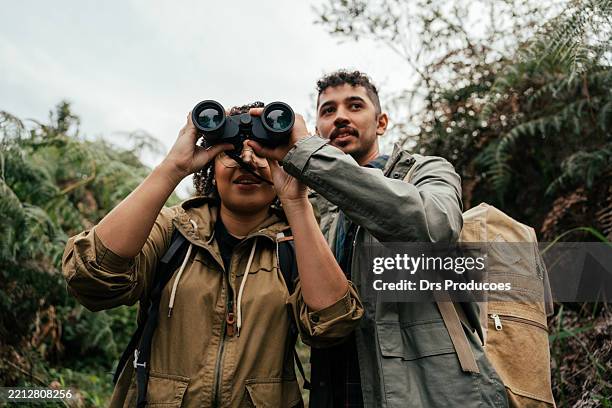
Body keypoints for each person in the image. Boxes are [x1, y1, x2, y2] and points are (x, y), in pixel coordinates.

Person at [61, 102, 363, 407]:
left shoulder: (296, 244)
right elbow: (91, 275)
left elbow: (333, 325)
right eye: (230, 152)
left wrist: (296, 200)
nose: (247, 160)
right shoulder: (172, 230)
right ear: (211, 165)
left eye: (262, 152)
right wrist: (172, 168)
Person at [248, 71, 509, 407]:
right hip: (337, 390)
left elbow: (434, 227)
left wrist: (312, 158)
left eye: (354, 106)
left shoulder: (426, 172)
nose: (340, 116)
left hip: (432, 390)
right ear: (316, 131)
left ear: (381, 122)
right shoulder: (305, 203)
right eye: (328, 111)